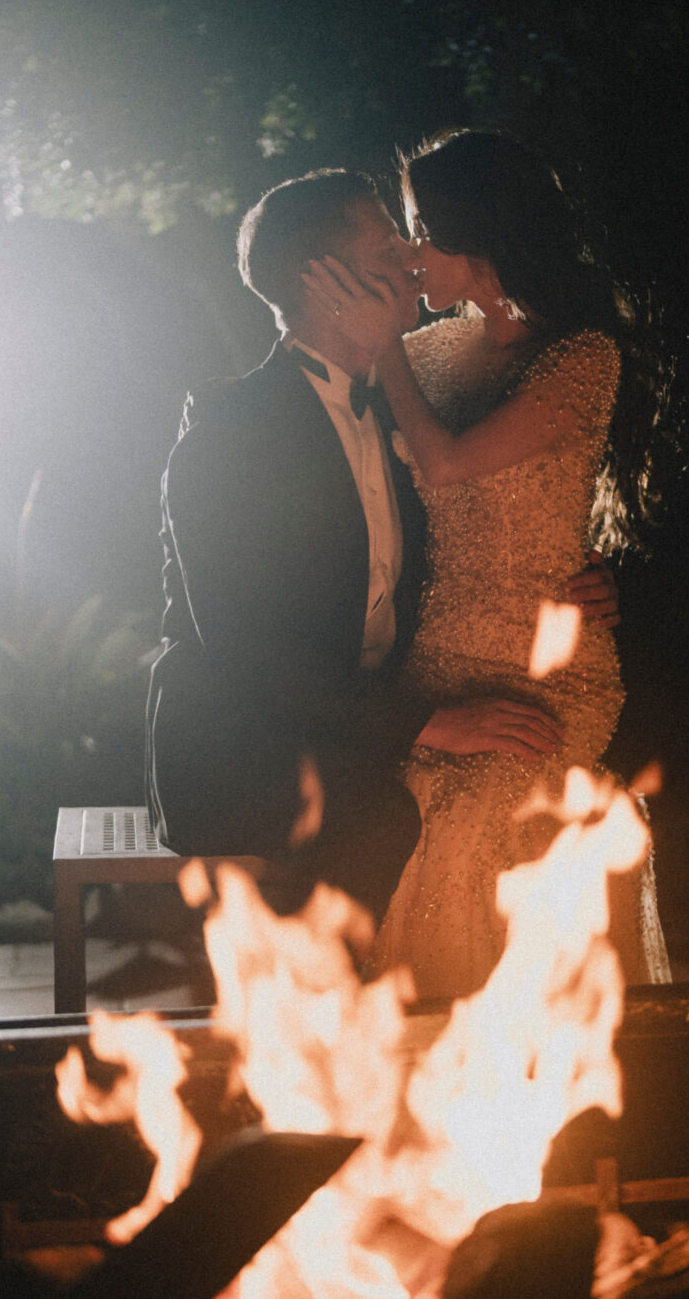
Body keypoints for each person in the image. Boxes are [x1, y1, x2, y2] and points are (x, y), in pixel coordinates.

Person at [145, 167, 611, 926]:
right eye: (385, 241)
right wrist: (429, 726)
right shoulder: (232, 435)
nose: (408, 256)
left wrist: (577, 571)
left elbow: (481, 528)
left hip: (369, 728)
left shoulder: (409, 403)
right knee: (383, 815)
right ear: (320, 278)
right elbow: (251, 658)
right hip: (246, 747)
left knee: (529, 791)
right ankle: (321, 1033)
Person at [302, 129, 671, 994]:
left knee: (470, 821)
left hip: (546, 667)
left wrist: (383, 341)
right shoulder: (429, 352)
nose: (407, 252)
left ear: (484, 233)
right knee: (392, 808)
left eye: (423, 228)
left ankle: (510, 1068)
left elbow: (446, 465)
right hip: (431, 665)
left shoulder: (580, 357)